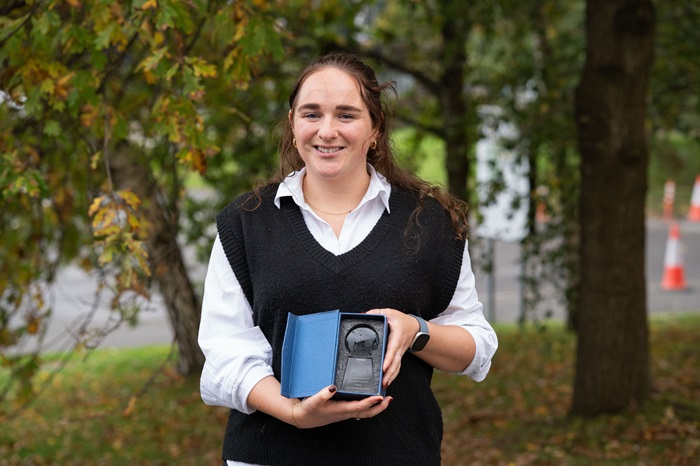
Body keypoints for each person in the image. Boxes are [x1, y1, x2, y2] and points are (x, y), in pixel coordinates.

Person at [198, 53, 498, 466]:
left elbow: (476, 346)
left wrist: (416, 330)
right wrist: (294, 413)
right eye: (312, 113)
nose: (327, 131)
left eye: (346, 115)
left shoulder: (428, 222)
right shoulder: (246, 222)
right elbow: (225, 352)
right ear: (292, 122)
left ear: (375, 128)